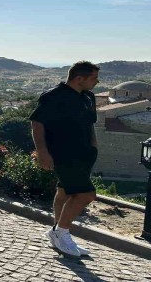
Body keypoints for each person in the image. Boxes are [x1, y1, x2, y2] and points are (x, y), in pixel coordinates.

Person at [31, 61, 100, 258]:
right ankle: (61, 232)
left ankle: (56, 233)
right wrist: (43, 152)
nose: (97, 82)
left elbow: (90, 125)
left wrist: (94, 147)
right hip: (63, 154)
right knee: (86, 194)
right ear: (80, 78)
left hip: (85, 154)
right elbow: (37, 124)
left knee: (64, 192)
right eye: (94, 78)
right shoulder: (54, 96)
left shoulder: (88, 97)